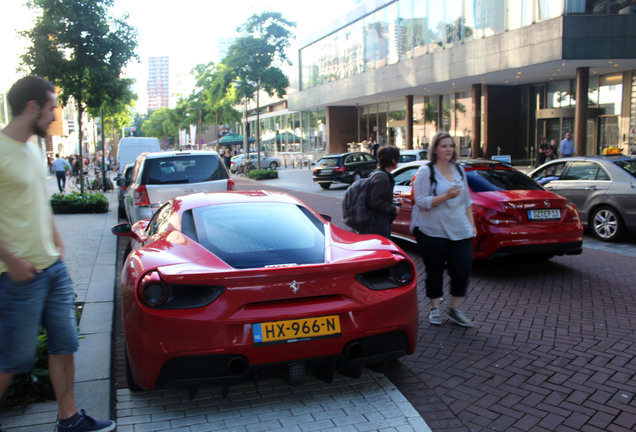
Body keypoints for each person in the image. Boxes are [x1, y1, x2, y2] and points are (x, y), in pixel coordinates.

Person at [0, 76, 116, 432]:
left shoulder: (35, 148)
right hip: (17, 274)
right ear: (32, 107)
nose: (53, 116)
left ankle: (69, 419)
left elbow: (39, 202)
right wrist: (12, 261)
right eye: (51, 107)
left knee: (64, 343)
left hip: (52, 267)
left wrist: (58, 242)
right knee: (13, 360)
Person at [410, 131, 476, 327]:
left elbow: (466, 200)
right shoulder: (426, 172)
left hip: (460, 229)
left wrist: (471, 224)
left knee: (462, 268)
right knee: (435, 270)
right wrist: (445, 197)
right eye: (444, 146)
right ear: (436, 149)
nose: (449, 149)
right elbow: (421, 202)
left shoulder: (459, 170)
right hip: (433, 230)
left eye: (451, 146)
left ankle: (454, 309)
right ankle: (434, 308)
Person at [360, 145, 401, 238]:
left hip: (374, 223)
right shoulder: (382, 178)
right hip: (376, 225)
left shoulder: (377, 174)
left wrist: (392, 200)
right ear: (393, 161)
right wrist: (394, 209)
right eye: (398, 159)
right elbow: (375, 201)